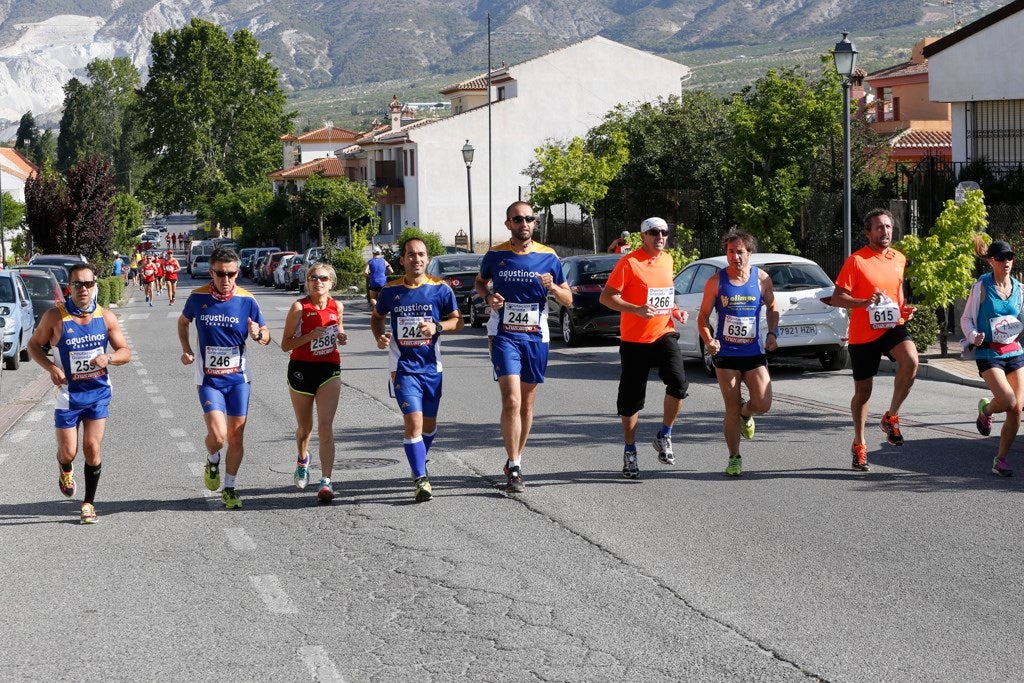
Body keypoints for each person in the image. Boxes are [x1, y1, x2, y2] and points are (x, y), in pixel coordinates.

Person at [475, 201, 572, 493]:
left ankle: (515, 455)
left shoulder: (549, 256)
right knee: (512, 401)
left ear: (535, 223)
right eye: (518, 219)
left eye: (529, 219)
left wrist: (552, 287)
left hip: (535, 335)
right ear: (508, 224)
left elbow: (568, 299)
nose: (524, 223)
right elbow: (481, 283)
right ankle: (515, 467)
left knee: (527, 404)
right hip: (504, 333)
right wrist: (488, 298)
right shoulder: (495, 254)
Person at [27, 263, 131, 524]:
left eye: (88, 284)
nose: (83, 289)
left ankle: (88, 503)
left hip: (97, 393)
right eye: (77, 284)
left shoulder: (105, 317)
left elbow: (125, 352)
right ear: (69, 288)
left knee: (92, 448)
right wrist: (51, 367)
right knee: (69, 452)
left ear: (94, 285)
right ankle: (65, 469)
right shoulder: (54, 317)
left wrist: (109, 357)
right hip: (68, 396)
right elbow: (33, 345)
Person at [177, 247, 271, 509]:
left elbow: (266, 336)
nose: (226, 279)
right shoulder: (197, 298)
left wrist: (258, 334)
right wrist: (186, 349)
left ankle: (229, 488)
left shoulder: (247, 300)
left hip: (238, 379)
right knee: (218, 437)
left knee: (237, 437)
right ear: (212, 272)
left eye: (231, 274)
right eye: (220, 273)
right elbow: (183, 322)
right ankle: (213, 459)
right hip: (209, 380)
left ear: (237, 272)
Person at [372, 237, 463, 502]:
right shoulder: (390, 291)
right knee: (413, 422)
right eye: (411, 254)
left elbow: (457, 322)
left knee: (429, 425)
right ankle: (421, 479)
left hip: (431, 367)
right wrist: (379, 336)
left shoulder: (440, 289)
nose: (417, 259)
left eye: (421, 254)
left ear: (427, 258)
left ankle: (420, 459)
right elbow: (377, 318)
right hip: (402, 368)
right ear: (402, 260)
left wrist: (437, 327)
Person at [829, 208, 919, 471]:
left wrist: (904, 310)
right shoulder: (856, 261)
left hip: (891, 326)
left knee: (911, 361)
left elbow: (898, 292)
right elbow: (837, 298)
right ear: (868, 232)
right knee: (863, 392)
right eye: (879, 227)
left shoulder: (899, 258)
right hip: (863, 332)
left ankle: (891, 416)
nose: (885, 232)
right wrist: (863, 302)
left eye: (888, 227)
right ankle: (859, 444)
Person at [599, 217, 689, 479]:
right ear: (643, 236)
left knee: (679, 383)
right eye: (654, 233)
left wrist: (675, 310)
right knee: (630, 401)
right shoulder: (628, 262)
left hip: (664, 333)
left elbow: (665, 295)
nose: (660, 236)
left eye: (664, 232)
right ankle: (630, 450)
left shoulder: (668, 260)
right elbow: (607, 297)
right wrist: (634, 309)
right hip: (634, 340)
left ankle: (665, 435)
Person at [696, 230, 778, 477]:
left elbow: (773, 306)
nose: (735, 257)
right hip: (727, 354)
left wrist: (773, 333)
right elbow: (702, 317)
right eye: (731, 252)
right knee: (730, 407)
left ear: (750, 253)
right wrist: (709, 340)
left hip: (753, 351)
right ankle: (734, 458)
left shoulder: (762, 279)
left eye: (740, 252)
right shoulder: (716, 281)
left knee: (763, 403)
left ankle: (747, 413)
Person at [280, 262, 347, 503]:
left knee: (326, 426)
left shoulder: (337, 306)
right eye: (312, 277)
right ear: (307, 281)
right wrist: (309, 336)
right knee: (305, 428)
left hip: (329, 368)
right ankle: (302, 458)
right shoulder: (299, 307)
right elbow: (285, 344)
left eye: (322, 278)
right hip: (301, 370)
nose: (317, 281)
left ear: (331, 283)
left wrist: (341, 335)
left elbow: (339, 328)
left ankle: (326, 481)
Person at [960, 238, 1024, 476]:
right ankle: (986, 410)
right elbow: (966, 318)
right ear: (991, 261)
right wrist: (973, 335)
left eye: (1009, 257)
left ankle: (1001, 460)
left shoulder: (1019, 288)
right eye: (1000, 258)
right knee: (1007, 400)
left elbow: (1021, 318)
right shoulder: (982, 286)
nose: (1006, 262)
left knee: (1017, 409)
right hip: (988, 351)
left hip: (1014, 350)